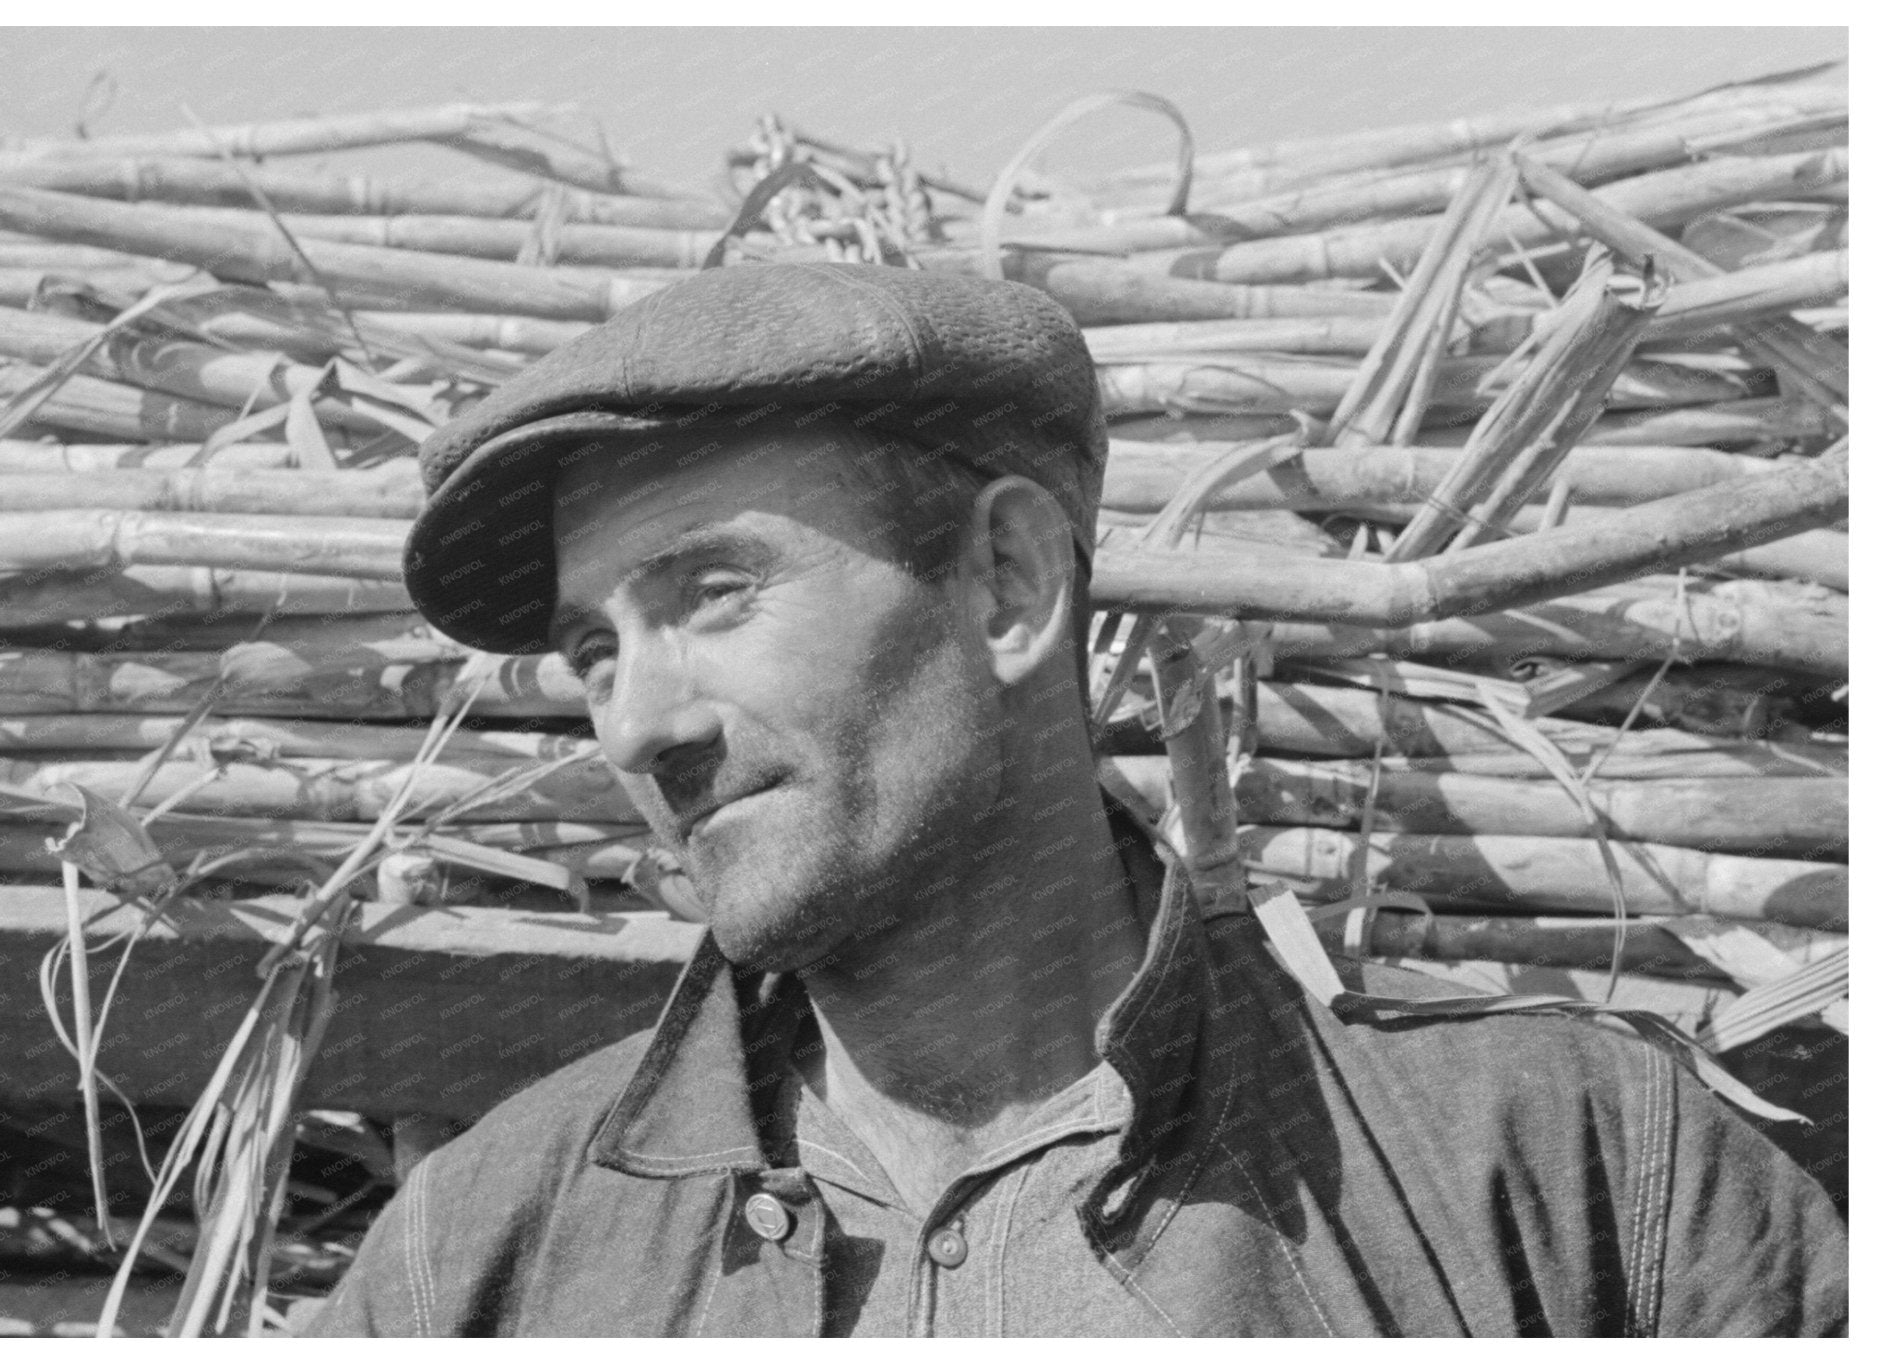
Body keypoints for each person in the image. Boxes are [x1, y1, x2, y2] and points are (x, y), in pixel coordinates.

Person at [304, 263, 1845, 1337]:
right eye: (592, 651)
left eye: (711, 594)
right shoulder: (479, 1261)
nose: (635, 726)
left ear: (1010, 580)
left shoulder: (1579, 1181)